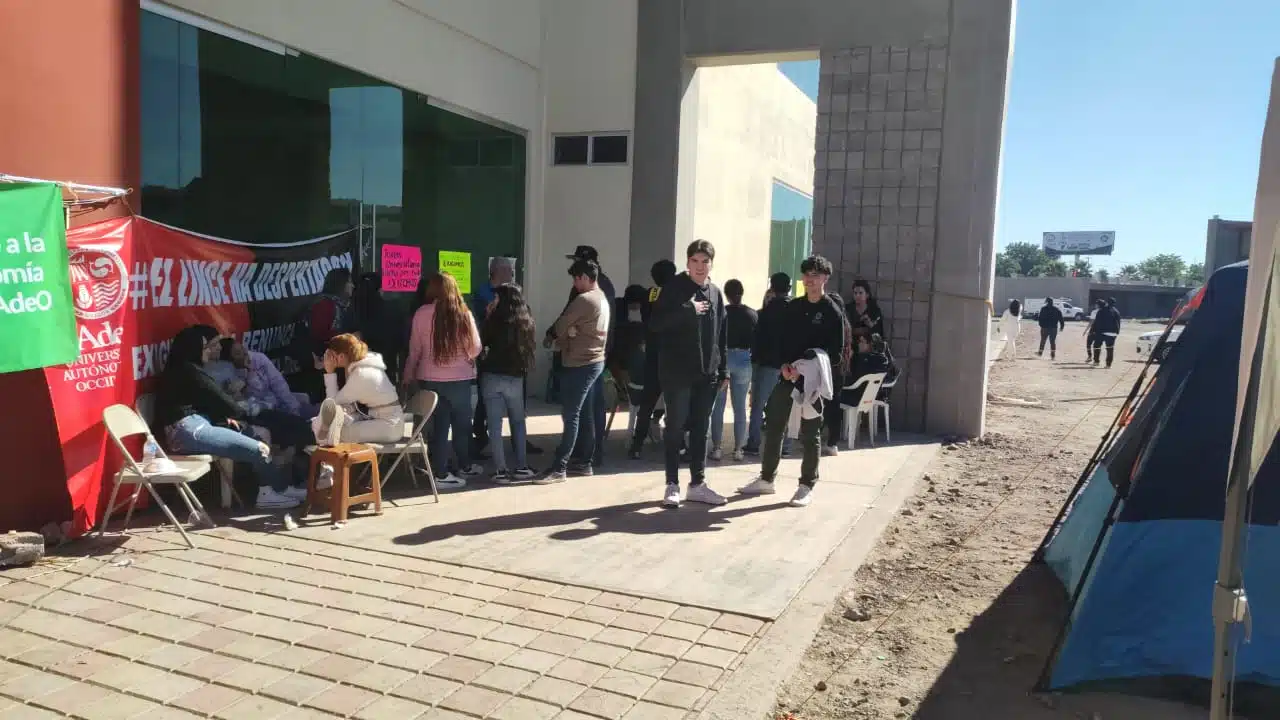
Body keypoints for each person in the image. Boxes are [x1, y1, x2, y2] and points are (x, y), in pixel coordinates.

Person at [155, 325, 302, 510]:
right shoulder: (189, 371)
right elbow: (225, 403)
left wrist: (229, 418)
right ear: (198, 347)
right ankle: (268, 494)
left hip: (197, 424)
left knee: (251, 433)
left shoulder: (183, 369)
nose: (217, 349)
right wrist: (241, 414)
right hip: (188, 430)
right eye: (213, 345)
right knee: (259, 449)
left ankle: (277, 488)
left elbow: (207, 403)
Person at [738, 255, 846, 508]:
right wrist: (786, 366)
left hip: (814, 381)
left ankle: (806, 485)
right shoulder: (794, 307)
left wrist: (810, 368)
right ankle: (766, 479)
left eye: (816, 275)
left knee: (810, 433)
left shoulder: (832, 311)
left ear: (825, 278)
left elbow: (836, 353)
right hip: (788, 376)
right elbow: (783, 341)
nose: (810, 280)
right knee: (774, 423)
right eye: (807, 275)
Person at [649, 240, 729, 508]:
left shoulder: (716, 293)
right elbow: (656, 323)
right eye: (694, 261)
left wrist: (723, 369)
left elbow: (721, 335)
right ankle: (672, 484)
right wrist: (688, 310)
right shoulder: (673, 290)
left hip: (707, 375)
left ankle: (698, 484)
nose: (699, 266)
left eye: (704, 261)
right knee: (675, 427)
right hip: (677, 373)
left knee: (700, 429)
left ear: (711, 264)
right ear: (687, 263)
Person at [404, 272, 484, 487]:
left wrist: (408, 375)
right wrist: (465, 357)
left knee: (439, 427)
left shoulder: (421, 313)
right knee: (461, 425)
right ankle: (464, 466)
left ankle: (440, 472)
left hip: (429, 378)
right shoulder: (463, 314)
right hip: (460, 378)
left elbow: (415, 350)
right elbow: (475, 347)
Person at [538, 259, 610, 484]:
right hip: (594, 361)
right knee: (585, 414)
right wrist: (571, 330)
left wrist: (569, 331)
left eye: (576, 278)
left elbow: (560, 326)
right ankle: (584, 462)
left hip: (579, 363)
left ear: (586, 277)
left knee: (571, 415)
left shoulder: (584, 300)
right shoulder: (602, 298)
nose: (574, 283)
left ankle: (559, 467)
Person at [557, 247, 616, 467]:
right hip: (598, 352)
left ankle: (582, 454)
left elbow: (567, 319)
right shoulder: (604, 286)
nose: (573, 280)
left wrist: (556, 335)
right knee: (591, 406)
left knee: (579, 409)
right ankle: (590, 453)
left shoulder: (589, 293)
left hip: (584, 355)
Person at [478, 283, 539, 483]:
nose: (493, 301)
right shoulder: (526, 321)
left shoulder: (493, 320)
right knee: (518, 423)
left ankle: (500, 470)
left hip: (492, 376)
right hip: (515, 378)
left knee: (495, 426)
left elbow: (481, 343)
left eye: (496, 297)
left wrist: (487, 316)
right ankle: (522, 466)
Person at [314, 333, 405, 445]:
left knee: (338, 433)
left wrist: (330, 372)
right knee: (337, 424)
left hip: (388, 425)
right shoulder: (363, 365)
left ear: (341, 357)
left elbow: (332, 405)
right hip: (382, 419)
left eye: (331, 355)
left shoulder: (361, 375)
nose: (327, 358)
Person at [629, 259, 679, 458]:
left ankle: (637, 446)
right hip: (672, 357)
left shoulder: (651, 294)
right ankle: (679, 446)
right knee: (675, 406)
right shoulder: (678, 295)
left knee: (646, 405)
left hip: (652, 356)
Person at [709, 279, 756, 462]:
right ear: (742, 292)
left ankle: (717, 448)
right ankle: (738, 449)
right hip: (744, 358)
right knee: (740, 408)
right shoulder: (752, 314)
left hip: (724, 358)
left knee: (718, 408)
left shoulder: (723, 313)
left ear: (726, 295)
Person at [746, 272, 792, 457]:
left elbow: (757, 338)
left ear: (772, 288)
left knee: (758, 406)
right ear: (789, 288)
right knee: (786, 407)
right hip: (788, 366)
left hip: (767, 364)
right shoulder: (795, 309)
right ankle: (786, 445)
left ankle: (753, 443)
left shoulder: (765, 312)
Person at [821, 293, 856, 456]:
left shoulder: (834, 324)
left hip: (832, 370)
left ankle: (826, 439)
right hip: (841, 370)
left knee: (827, 405)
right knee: (834, 405)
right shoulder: (846, 324)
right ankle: (832, 442)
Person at [1089, 297, 1122, 368]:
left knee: (1096, 346)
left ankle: (1096, 361)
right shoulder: (1117, 312)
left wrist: (1093, 331)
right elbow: (1119, 323)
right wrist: (1117, 332)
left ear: (1107, 302)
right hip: (1113, 333)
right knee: (1110, 348)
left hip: (1102, 332)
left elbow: (1097, 322)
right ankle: (1108, 364)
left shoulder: (1102, 310)